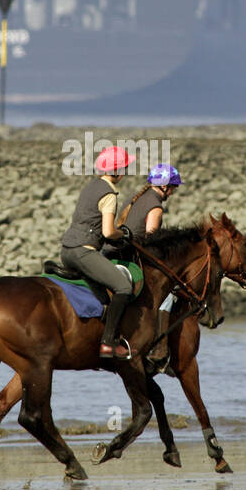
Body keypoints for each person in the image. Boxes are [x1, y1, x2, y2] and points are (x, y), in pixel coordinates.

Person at [61, 145, 136, 360]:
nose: (126, 170)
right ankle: (108, 343)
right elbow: (107, 231)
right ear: (117, 170)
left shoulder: (91, 186)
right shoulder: (109, 194)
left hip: (67, 250)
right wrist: (122, 235)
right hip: (83, 253)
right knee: (123, 286)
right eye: (125, 167)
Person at [118, 163, 183, 372]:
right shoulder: (155, 206)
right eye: (173, 187)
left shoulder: (135, 197)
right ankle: (160, 349)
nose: (173, 192)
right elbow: (151, 242)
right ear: (164, 186)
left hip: (118, 252)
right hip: (133, 257)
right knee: (168, 296)